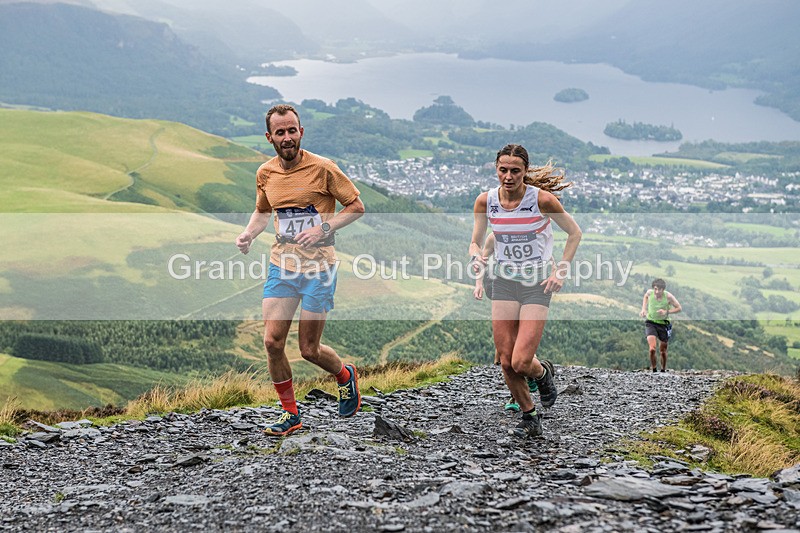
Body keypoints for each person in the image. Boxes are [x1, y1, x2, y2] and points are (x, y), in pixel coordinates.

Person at [236, 104, 365, 436]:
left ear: (301, 132)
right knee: (272, 342)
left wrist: (323, 228)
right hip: (282, 266)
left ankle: (345, 376)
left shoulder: (323, 168)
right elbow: (262, 211)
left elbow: (356, 206)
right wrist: (249, 234)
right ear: (270, 137)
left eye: (292, 130)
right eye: (280, 132)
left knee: (309, 350)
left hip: (319, 269)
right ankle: (290, 414)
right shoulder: (265, 173)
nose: (287, 137)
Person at [470, 144, 582, 439]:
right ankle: (530, 416)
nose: (508, 176)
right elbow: (476, 241)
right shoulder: (485, 201)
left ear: (525, 171)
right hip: (504, 282)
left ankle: (543, 373)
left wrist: (561, 271)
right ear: (496, 169)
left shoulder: (541, 200)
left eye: (515, 171)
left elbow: (574, 233)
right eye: (503, 170)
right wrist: (476, 256)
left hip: (537, 285)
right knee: (506, 360)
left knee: (521, 361)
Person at [473, 233, 554, 414]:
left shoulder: (530, 231)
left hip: (528, 290)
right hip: (500, 286)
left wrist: (554, 274)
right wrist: (478, 283)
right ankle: (529, 379)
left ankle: (529, 380)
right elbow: (482, 260)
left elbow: (548, 256)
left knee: (515, 348)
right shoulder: (494, 236)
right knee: (505, 354)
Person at [639, 278, 682, 372]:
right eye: (655, 289)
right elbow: (645, 296)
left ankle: (663, 370)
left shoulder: (669, 297)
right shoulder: (650, 293)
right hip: (651, 323)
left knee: (663, 351)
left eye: (659, 290)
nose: (657, 291)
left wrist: (666, 312)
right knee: (652, 349)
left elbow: (679, 308)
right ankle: (654, 370)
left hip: (664, 325)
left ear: (663, 289)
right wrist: (643, 309)